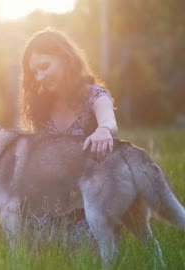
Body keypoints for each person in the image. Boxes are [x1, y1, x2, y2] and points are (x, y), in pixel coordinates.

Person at [20, 28, 118, 241]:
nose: (39, 77)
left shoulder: (94, 95)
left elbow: (109, 120)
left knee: (80, 245)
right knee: (33, 241)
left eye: (44, 66)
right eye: (34, 72)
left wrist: (103, 130)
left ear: (65, 59)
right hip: (52, 202)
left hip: (91, 201)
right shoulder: (41, 107)